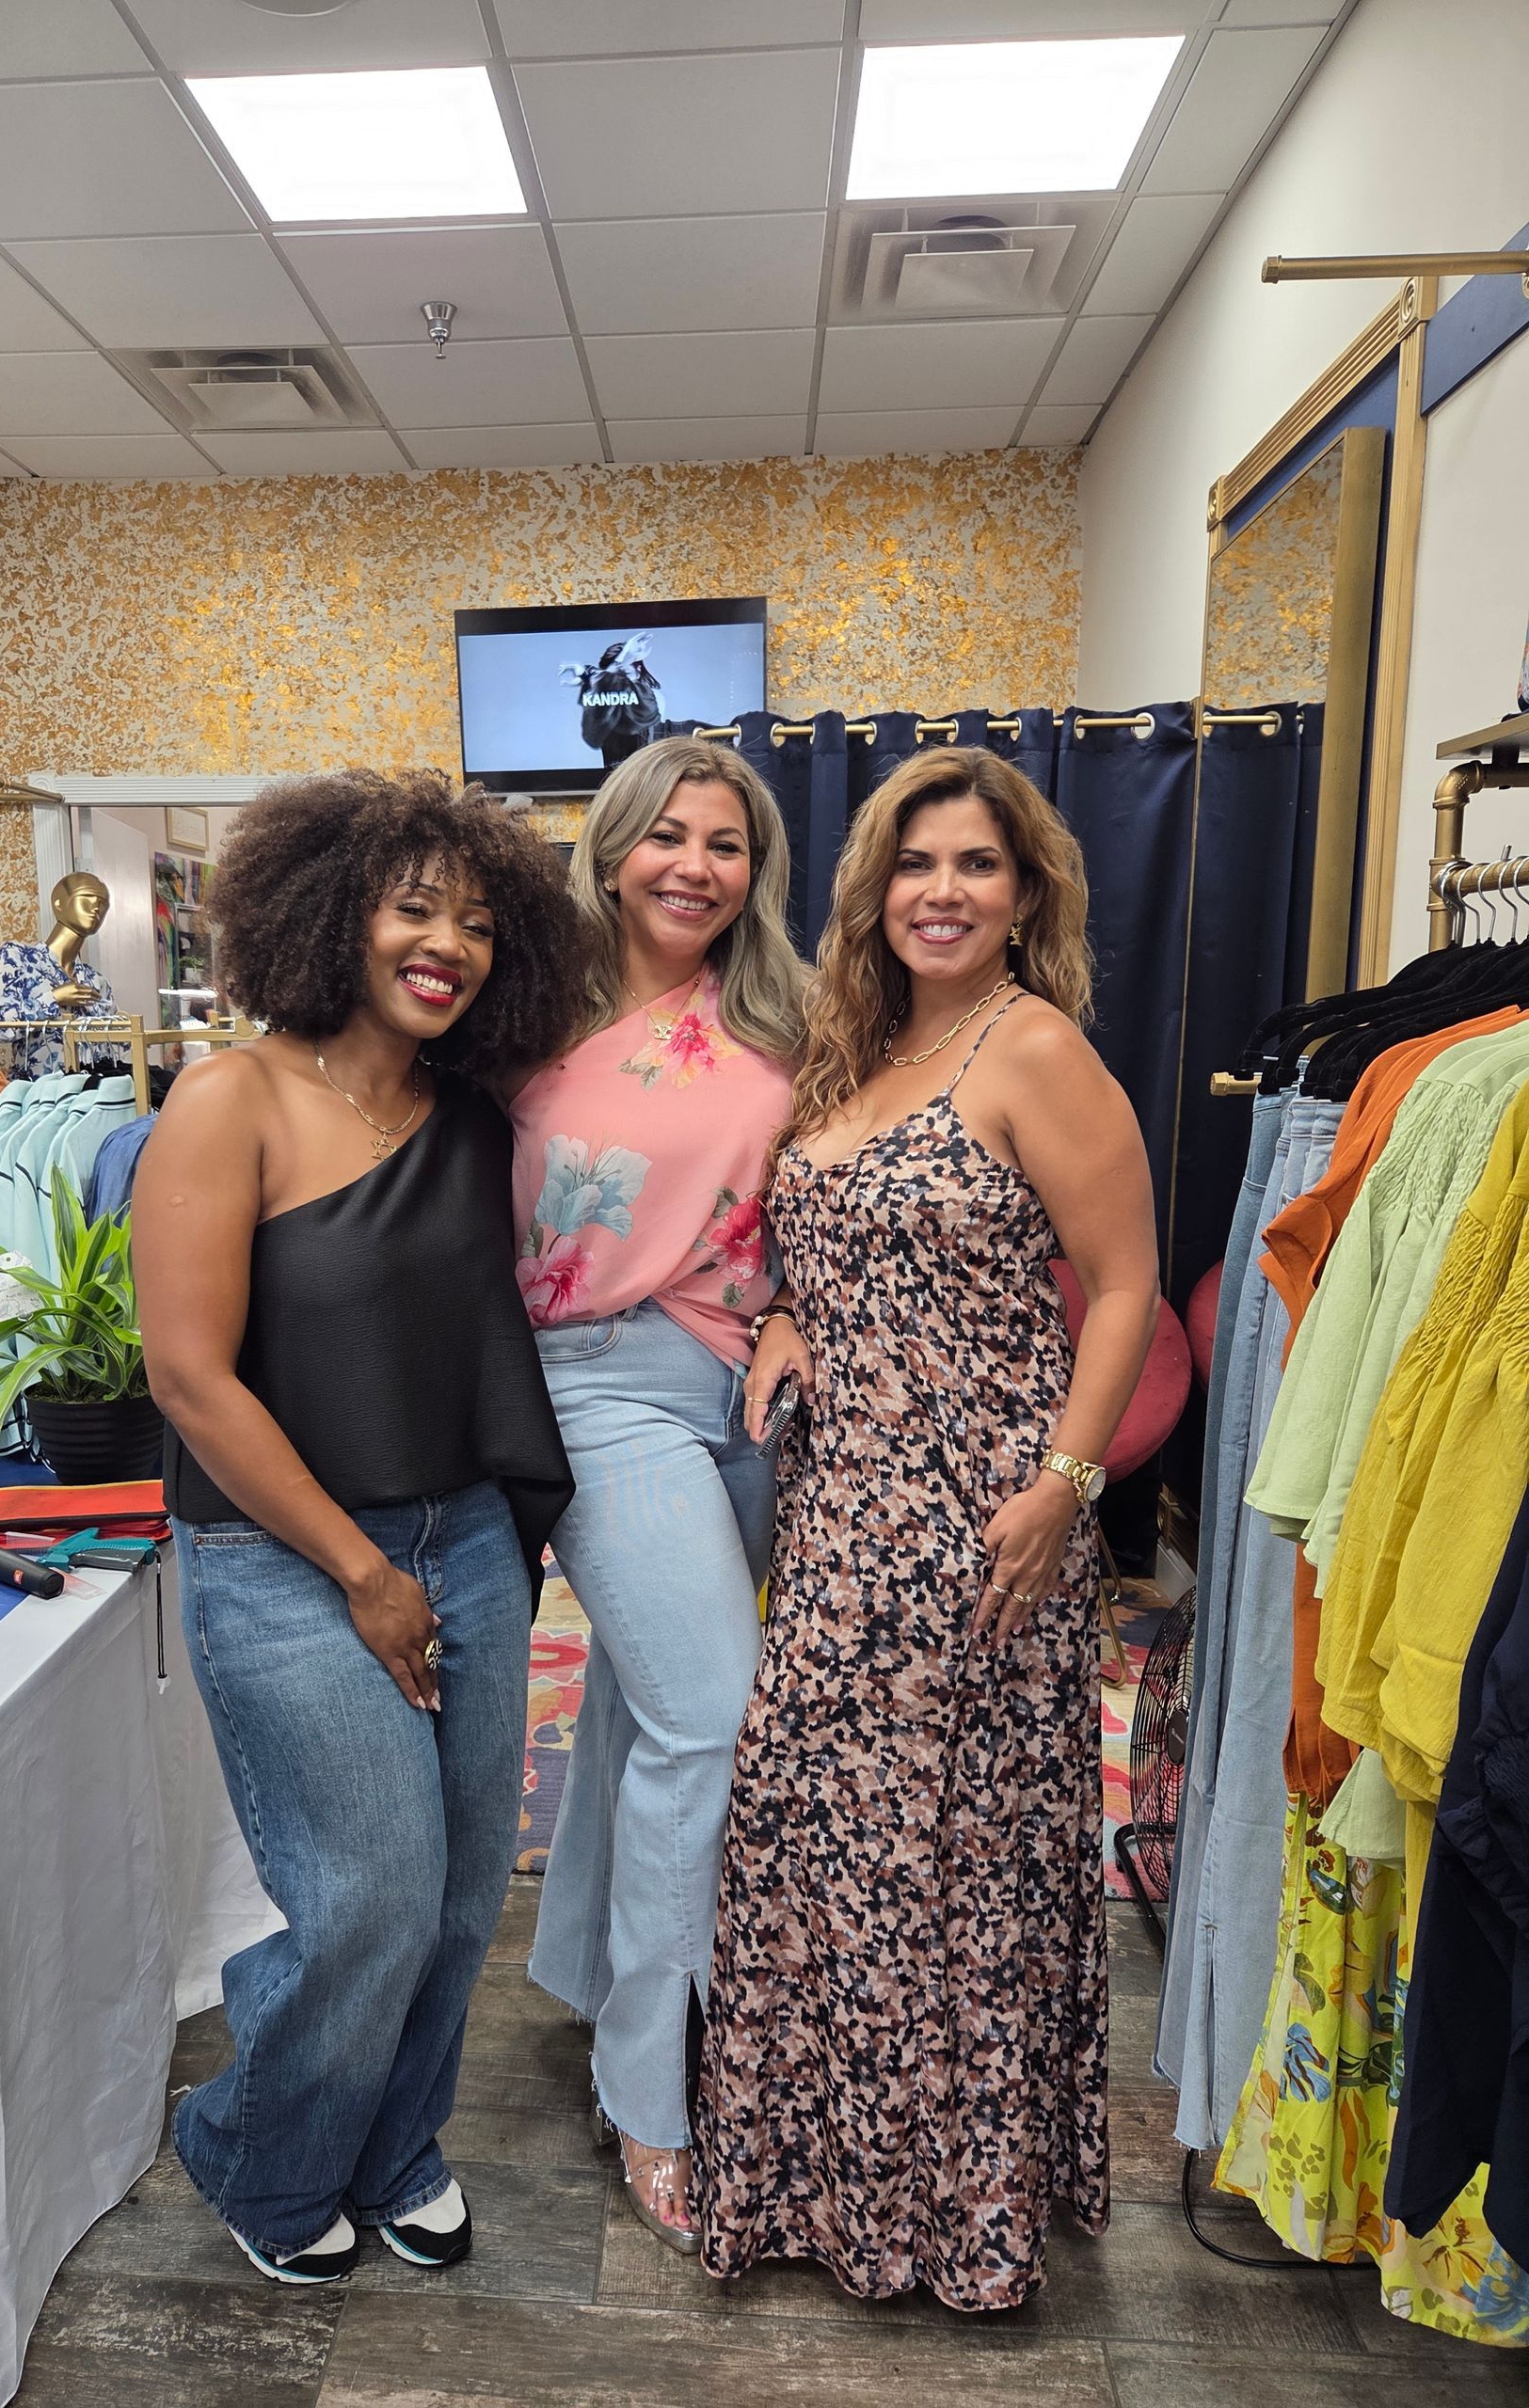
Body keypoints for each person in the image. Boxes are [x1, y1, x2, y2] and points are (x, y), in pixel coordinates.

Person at [696, 747, 1159, 2308]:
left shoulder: (1033, 1051)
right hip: (834, 1518)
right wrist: (780, 1323)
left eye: (975, 866)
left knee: (943, 1867)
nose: (941, 892)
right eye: (915, 865)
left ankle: (944, 2218)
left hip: (980, 1521)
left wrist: (1066, 1486)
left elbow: (1123, 1288)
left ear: (1026, 896)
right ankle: (818, 2193)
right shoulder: (856, 1048)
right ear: (872, 893)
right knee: (812, 1843)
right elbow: (823, 1249)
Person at [135, 771, 586, 2287]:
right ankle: (254, 2148)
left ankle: (394, 2148)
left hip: (462, 1535)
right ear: (333, 912)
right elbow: (191, 1380)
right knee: (368, 1896)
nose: (445, 942)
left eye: (475, 918)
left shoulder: (472, 1114)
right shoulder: (230, 1098)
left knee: (462, 1894)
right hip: (288, 1559)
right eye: (412, 907)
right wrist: (362, 1571)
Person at [509, 735, 807, 2250]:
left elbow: (831, 1190)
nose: (697, 864)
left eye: (730, 843)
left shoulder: (787, 1014)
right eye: (669, 836)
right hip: (595, 1384)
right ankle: (651, 2093)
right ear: (614, 847)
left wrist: (802, 1312)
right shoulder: (522, 1011)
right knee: (708, 1715)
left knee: (640, 1709)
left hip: (747, 1389)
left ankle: (585, 1981)